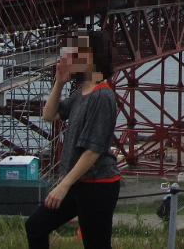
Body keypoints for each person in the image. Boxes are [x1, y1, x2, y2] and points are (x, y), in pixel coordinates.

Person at [25, 29, 120, 249]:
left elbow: (93, 150)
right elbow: (49, 115)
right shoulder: (82, 92)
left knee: (96, 245)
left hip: (98, 184)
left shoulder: (103, 96)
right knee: (36, 225)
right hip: (77, 182)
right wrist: (59, 83)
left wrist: (63, 185)